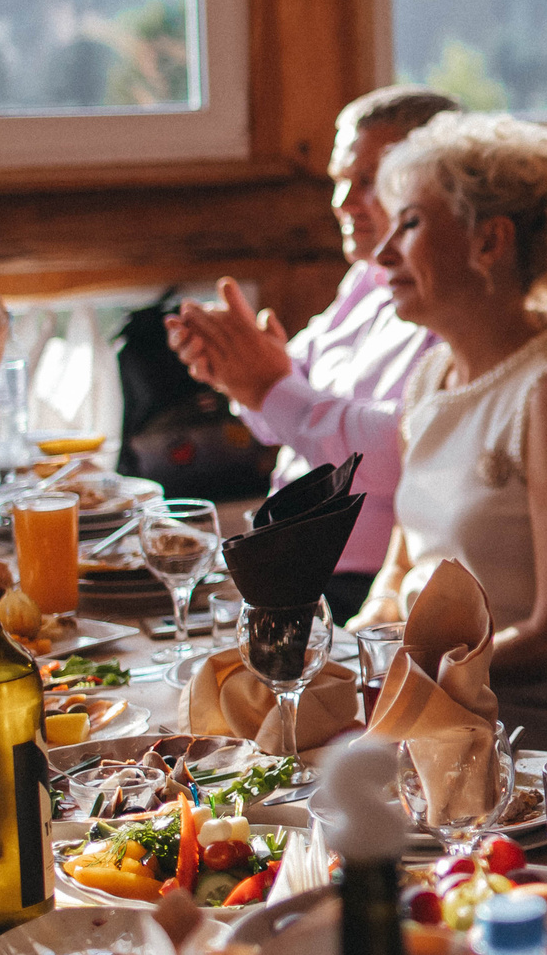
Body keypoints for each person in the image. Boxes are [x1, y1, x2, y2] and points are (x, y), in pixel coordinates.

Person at [354, 113, 547, 752]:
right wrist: (359, 640)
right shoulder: (433, 375)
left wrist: (409, 683)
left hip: (520, 735)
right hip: (419, 711)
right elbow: (406, 556)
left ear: (490, 242)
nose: (382, 252)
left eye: (410, 224)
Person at [167, 85, 458, 620]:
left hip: (369, 594)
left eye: (367, 181)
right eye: (339, 180)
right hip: (289, 569)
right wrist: (235, 371)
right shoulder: (366, 281)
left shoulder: (456, 305)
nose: (341, 202)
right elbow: (279, 415)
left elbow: (402, 452)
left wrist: (269, 387)